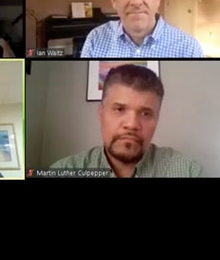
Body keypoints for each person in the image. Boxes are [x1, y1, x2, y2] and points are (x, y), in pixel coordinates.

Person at [51, 64, 205, 177]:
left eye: (145, 113)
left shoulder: (189, 171)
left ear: (157, 119)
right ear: (101, 113)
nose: (131, 124)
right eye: (119, 109)